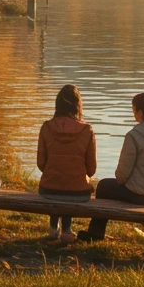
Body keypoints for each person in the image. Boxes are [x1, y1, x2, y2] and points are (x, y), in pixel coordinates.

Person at [78, 92, 144, 241]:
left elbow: (122, 174)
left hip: (140, 196)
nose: (133, 113)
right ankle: (96, 233)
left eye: (134, 110)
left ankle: (96, 232)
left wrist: (126, 182)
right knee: (108, 185)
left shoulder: (133, 136)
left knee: (104, 186)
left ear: (140, 112)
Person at [37, 84, 96, 243]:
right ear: (78, 105)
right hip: (78, 195)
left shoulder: (46, 127)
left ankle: (53, 228)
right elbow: (91, 169)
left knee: (56, 179)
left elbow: (41, 164)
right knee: (72, 181)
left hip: (48, 191)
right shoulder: (87, 130)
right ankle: (67, 230)